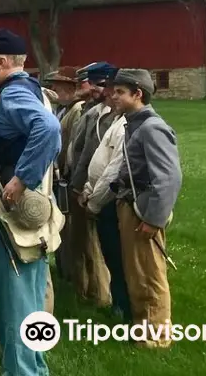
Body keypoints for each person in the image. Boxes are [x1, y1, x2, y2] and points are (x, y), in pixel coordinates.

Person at [0, 28, 62, 376]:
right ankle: (33, 364)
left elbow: (49, 129)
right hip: (24, 214)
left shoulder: (12, 95)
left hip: (11, 214)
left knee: (12, 298)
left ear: (3, 61)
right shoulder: (29, 90)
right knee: (30, 293)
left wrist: (21, 179)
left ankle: (23, 370)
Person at [109, 69, 182, 347]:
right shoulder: (134, 124)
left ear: (137, 94)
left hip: (144, 210)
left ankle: (156, 338)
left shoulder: (152, 127)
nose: (113, 97)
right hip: (132, 205)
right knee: (136, 273)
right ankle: (143, 328)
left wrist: (153, 218)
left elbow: (168, 177)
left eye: (120, 92)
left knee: (149, 274)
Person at [80, 77, 132, 322]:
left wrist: (95, 200)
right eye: (112, 92)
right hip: (100, 196)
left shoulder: (124, 127)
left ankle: (124, 306)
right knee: (110, 255)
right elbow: (100, 160)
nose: (112, 96)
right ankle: (119, 302)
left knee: (118, 257)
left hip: (111, 201)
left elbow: (114, 169)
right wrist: (89, 188)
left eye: (118, 92)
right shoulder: (118, 121)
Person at [66, 62, 116, 308]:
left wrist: (87, 187)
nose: (96, 89)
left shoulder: (114, 117)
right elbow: (80, 150)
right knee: (81, 243)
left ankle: (102, 296)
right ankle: (84, 290)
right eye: (94, 84)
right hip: (80, 185)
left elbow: (100, 156)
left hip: (98, 189)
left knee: (96, 246)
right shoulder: (91, 113)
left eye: (101, 85)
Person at [42, 66, 84, 282]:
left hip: (67, 177)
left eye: (57, 85)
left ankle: (75, 276)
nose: (53, 88)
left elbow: (75, 147)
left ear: (69, 87)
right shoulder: (62, 109)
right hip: (59, 177)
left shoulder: (76, 110)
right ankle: (66, 272)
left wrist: (69, 175)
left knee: (71, 231)